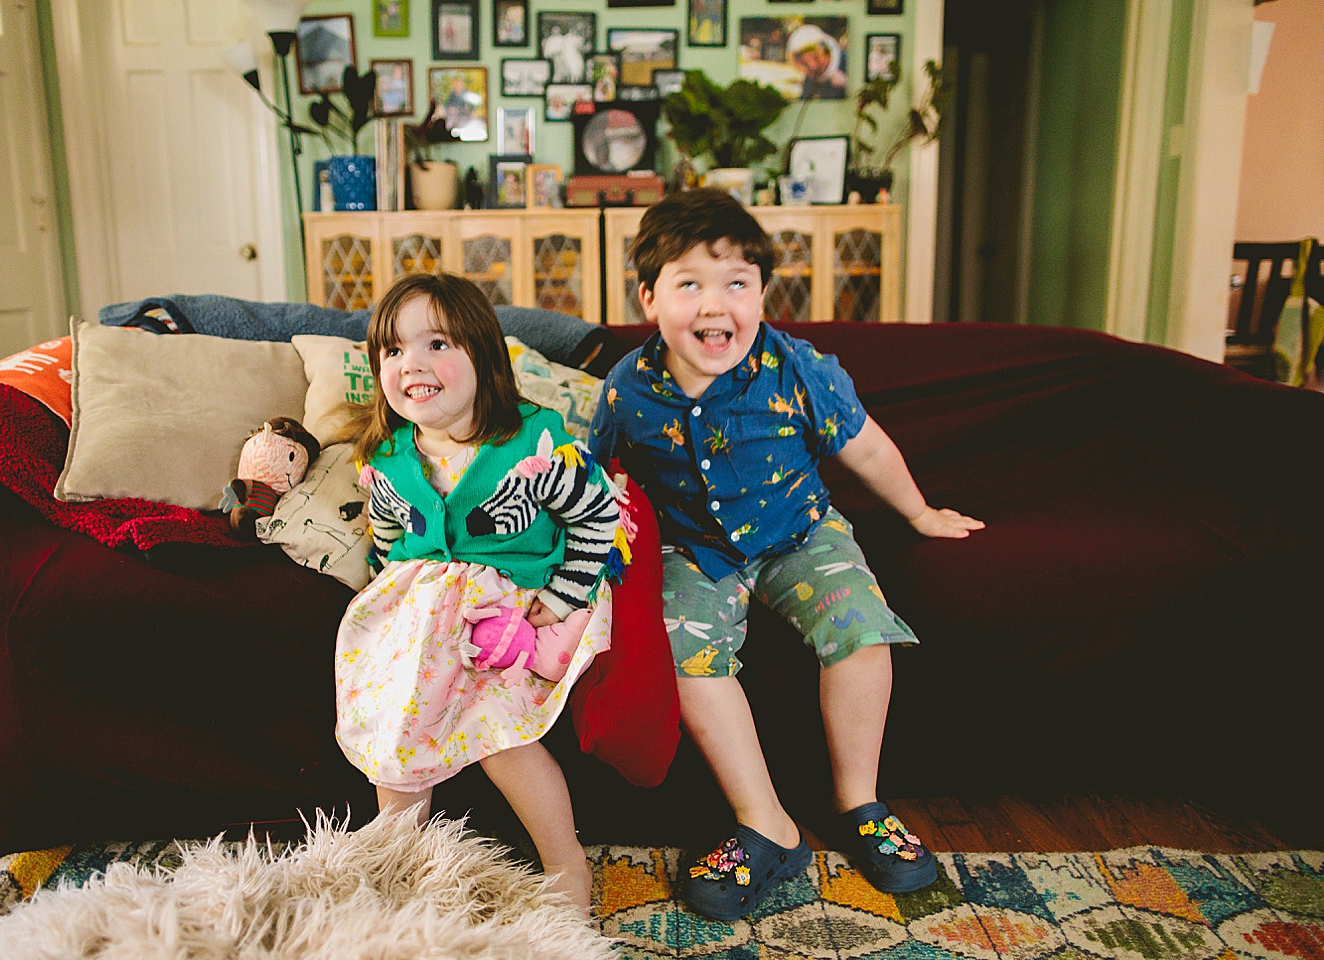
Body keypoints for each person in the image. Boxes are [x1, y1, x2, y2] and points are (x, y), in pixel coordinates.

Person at [588, 189, 983, 920]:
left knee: (863, 633)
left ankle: (857, 800)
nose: (717, 304)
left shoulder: (796, 368)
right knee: (683, 655)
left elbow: (864, 445)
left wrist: (921, 512)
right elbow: (594, 480)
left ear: (762, 294)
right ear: (649, 299)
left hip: (801, 534)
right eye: (690, 284)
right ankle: (765, 818)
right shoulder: (626, 393)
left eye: (737, 283)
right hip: (697, 551)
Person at [335, 272, 627, 913]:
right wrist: (398, 603)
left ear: (483, 355)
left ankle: (563, 862)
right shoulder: (385, 455)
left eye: (437, 343)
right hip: (425, 615)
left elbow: (596, 517)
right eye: (393, 350)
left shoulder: (534, 445)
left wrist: (558, 600)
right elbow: (388, 534)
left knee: (501, 735)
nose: (412, 363)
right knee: (398, 726)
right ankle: (397, 860)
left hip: (517, 607)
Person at [787, 24, 848, 100]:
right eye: (805, 65)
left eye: (816, 58)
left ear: (826, 51)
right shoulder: (810, 79)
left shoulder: (848, 63)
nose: (813, 66)